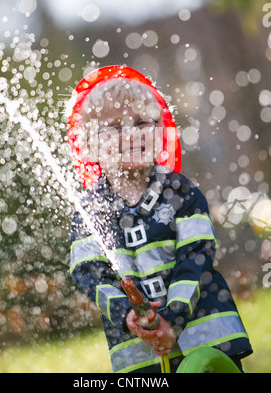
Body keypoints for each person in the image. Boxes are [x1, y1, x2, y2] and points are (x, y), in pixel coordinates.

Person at [67, 65, 252, 373]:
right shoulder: (90, 210)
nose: (132, 134)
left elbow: (195, 257)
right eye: (114, 127)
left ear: (160, 132)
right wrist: (128, 315)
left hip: (205, 340)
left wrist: (174, 317)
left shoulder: (181, 192)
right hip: (141, 355)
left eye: (142, 122)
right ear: (90, 147)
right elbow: (89, 272)